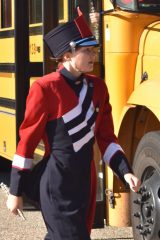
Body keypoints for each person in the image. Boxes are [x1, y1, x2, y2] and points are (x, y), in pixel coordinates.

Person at [6, 7, 140, 240]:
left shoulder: (99, 88)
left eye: (94, 50)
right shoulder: (45, 88)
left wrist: (124, 170)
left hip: (85, 183)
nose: (93, 56)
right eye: (86, 51)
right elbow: (27, 141)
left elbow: (106, 137)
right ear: (67, 55)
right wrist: (15, 191)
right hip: (56, 180)